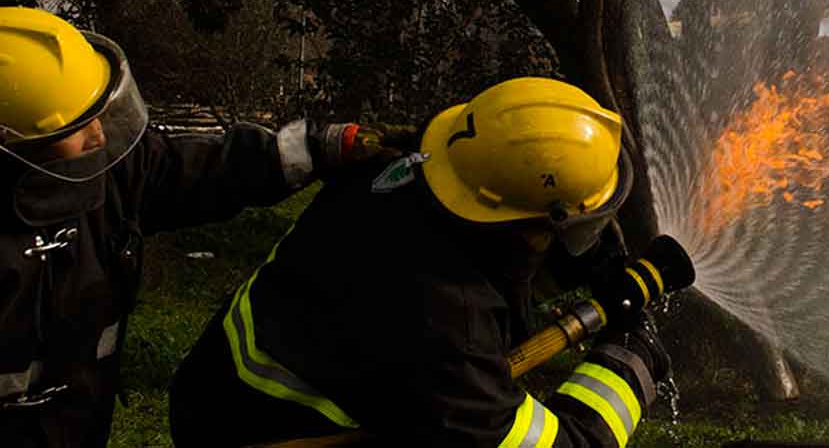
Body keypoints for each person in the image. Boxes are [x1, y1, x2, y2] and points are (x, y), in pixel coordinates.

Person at [169, 77, 674, 447]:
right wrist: (627, 361)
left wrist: (576, 269)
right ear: (528, 223)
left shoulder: (406, 171)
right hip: (268, 434)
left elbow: (485, 264)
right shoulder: (447, 331)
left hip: (214, 389)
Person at [0, 6, 413, 448]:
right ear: (14, 146)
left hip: (77, 425)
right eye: (78, 125)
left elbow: (205, 171)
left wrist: (319, 148)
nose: (99, 135)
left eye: (97, 112)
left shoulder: (111, 171)